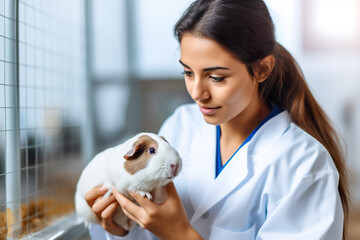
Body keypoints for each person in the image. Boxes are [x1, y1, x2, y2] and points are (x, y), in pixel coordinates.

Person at [84, 0, 348, 239]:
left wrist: (181, 235)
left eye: (216, 77)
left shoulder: (304, 165)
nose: (197, 93)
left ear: (261, 69)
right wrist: (121, 229)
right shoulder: (179, 127)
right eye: (188, 73)